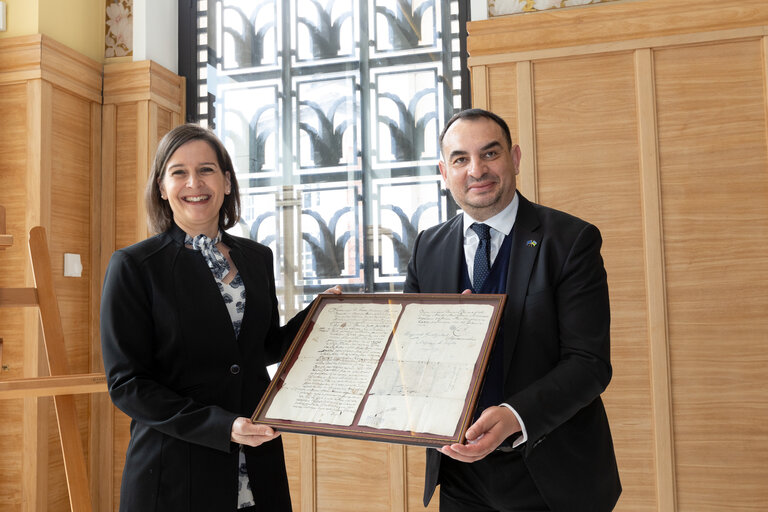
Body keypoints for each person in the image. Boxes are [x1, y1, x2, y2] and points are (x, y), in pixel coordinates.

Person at [100, 123, 339, 511]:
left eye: (207, 169)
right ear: (162, 188)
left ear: (226, 182)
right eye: (179, 172)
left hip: (258, 463)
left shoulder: (256, 257)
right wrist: (222, 426)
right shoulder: (133, 265)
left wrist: (318, 313)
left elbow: (258, 349)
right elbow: (128, 384)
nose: (195, 182)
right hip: (175, 468)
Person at [404, 109, 621, 511]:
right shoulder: (426, 248)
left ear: (515, 158)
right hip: (459, 475)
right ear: (444, 170)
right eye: (460, 159)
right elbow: (409, 360)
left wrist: (513, 416)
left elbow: (589, 363)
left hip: (552, 473)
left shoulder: (571, 241)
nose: (477, 170)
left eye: (490, 154)